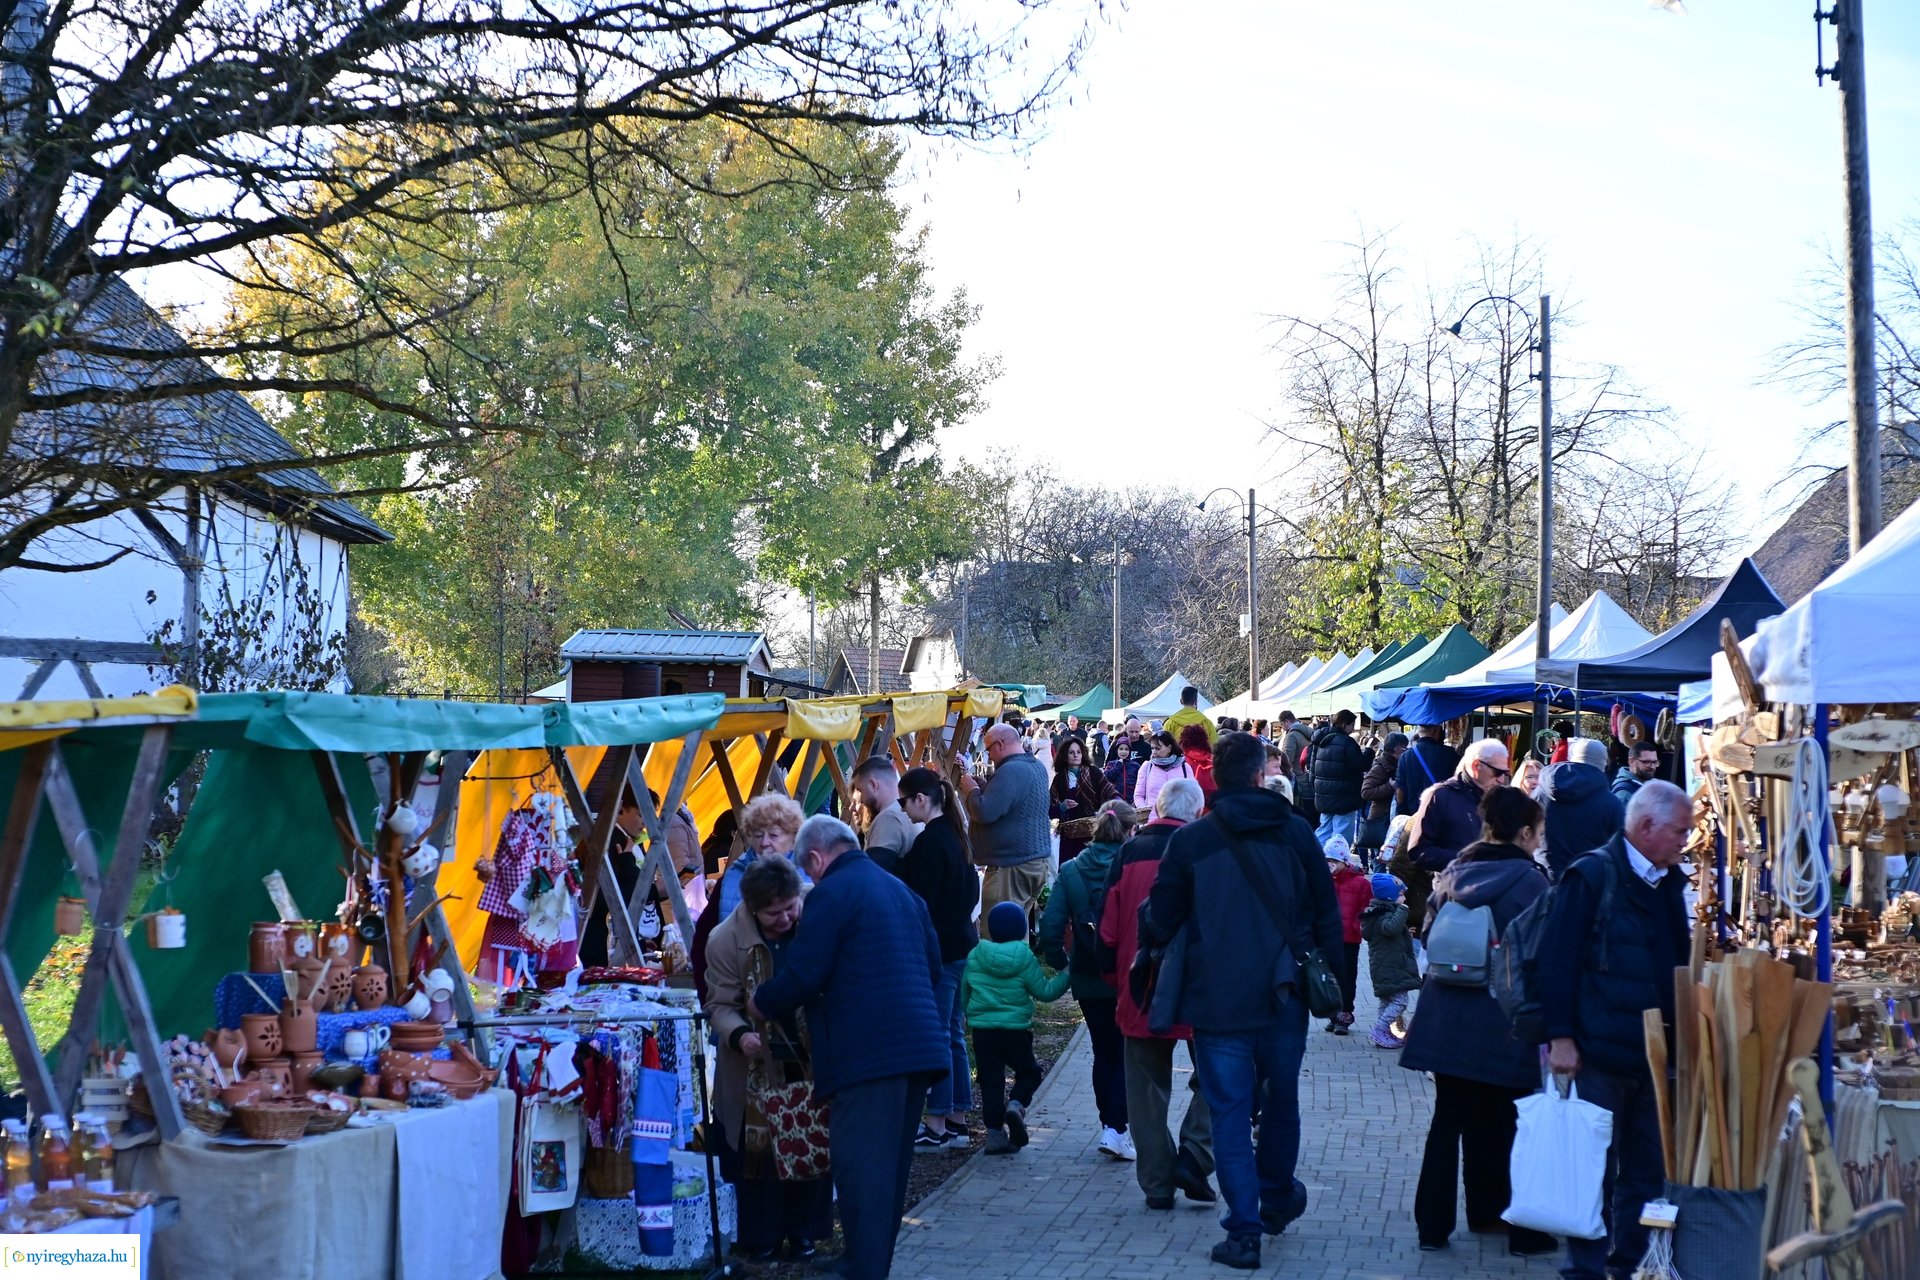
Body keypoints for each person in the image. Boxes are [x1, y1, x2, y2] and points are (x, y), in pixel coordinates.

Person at [1140, 732, 1341, 1271]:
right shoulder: (1298, 834)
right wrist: (1338, 992)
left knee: (1229, 1112)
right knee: (1280, 1102)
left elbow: (1159, 919)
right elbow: (1326, 913)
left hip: (1217, 997)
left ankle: (1245, 1230)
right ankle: (1273, 1199)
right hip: (1285, 993)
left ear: (1215, 779)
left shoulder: (1191, 841)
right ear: (1260, 776)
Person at [748, 816, 948, 1280]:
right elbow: (934, 967)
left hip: (869, 1052)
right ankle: (867, 1259)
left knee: (860, 1165)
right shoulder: (900, 890)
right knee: (890, 1168)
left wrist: (762, 1001)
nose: (810, 880)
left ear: (816, 859)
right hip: (917, 1046)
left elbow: (805, 973)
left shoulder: (831, 895)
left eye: (808, 871)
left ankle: (863, 1266)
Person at [1538, 782, 1692, 1280]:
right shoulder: (1590, 876)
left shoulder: (1668, 881)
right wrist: (1560, 1037)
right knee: (1592, 1171)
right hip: (1597, 1051)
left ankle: (1625, 1264)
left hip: (1653, 1054)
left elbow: (1676, 963)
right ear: (1646, 827)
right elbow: (1557, 961)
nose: (1685, 841)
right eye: (1679, 831)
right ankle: (1584, 1270)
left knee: (1647, 1172)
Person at [1398, 786, 1556, 1258]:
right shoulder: (1532, 883)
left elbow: (1428, 934)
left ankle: (1433, 1226)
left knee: (1448, 1122)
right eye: (1539, 833)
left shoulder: (1454, 872)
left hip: (1445, 1017)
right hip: (1503, 1018)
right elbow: (1543, 955)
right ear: (1525, 833)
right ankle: (1513, 1225)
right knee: (1509, 1122)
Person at [703, 857, 834, 1263]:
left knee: (811, 1142)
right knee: (757, 1157)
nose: (785, 918)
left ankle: (804, 1233)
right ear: (753, 909)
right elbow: (720, 1003)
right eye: (773, 913)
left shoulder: (816, 916)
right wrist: (741, 1035)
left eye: (790, 908)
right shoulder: (725, 939)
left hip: (811, 1057)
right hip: (754, 1069)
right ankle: (761, 1236)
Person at [1097, 777, 1216, 1210]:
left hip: (1139, 983)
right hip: (1201, 987)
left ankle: (1157, 1184)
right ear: (1198, 812)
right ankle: (1197, 1151)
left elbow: (1107, 927)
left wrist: (1116, 982)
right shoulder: (1208, 850)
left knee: (1145, 1091)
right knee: (1221, 1075)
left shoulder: (1129, 852)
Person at [1040, 798, 1137, 1160]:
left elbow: (1050, 927)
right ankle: (1117, 1128)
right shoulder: (1131, 865)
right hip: (1126, 971)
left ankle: (1109, 1125)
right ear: (1131, 830)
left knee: (1102, 1052)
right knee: (1125, 1052)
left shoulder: (1071, 870)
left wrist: (1063, 963)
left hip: (1087, 971)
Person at [896, 767, 980, 1151]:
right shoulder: (956, 836)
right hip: (963, 944)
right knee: (954, 1034)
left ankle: (936, 1123)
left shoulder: (931, 843)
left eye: (903, 802)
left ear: (921, 800)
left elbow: (923, 903)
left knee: (941, 1036)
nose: (902, 809)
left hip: (942, 950)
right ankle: (957, 1119)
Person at [963, 901, 1071, 1156]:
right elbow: (1045, 992)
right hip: (1015, 1032)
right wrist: (1068, 973)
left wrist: (969, 1014)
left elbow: (965, 991)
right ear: (1021, 929)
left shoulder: (976, 955)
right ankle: (1016, 1104)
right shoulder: (1024, 957)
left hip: (983, 1031)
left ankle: (994, 1135)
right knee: (1029, 1072)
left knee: (990, 1081)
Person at [692, 792, 807, 998]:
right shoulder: (732, 878)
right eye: (757, 835)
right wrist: (711, 997)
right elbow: (703, 943)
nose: (764, 843)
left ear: (792, 836)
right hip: (742, 994)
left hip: (799, 992)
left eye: (773, 835)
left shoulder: (809, 875)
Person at [1393, 739, 1508, 937]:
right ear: (1476, 765)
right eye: (1498, 773)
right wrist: (1467, 859)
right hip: (1452, 903)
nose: (1502, 779)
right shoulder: (1440, 796)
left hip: (1493, 901)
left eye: (1506, 773)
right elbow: (1417, 851)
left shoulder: (1502, 799)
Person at [962, 723, 1052, 920]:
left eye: (989, 749)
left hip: (1011, 869)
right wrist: (987, 787)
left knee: (999, 936)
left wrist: (971, 791)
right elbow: (1012, 802)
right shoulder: (1035, 766)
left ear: (1000, 744)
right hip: (1032, 863)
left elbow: (984, 812)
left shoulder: (1011, 770)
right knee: (1015, 932)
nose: (990, 756)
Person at [1540, 738, 1625, 882]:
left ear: (1571, 758)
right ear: (1604, 764)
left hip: (1543, 879)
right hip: (1587, 884)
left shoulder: (1540, 793)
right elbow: (1621, 852)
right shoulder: (1612, 804)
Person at [1359, 874, 1419, 1049]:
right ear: (1390, 897)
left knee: (1386, 1000)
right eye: (1401, 895)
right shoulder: (1385, 914)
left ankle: (1383, 1033)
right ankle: (1380, 1028)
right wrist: (1403, 910)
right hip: (1389, 967)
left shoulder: (1381, 913)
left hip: (1386, 965)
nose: (1405, 898)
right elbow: (1390, 929)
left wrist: (1406, 931)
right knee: (1400, 1001)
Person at [1324, 837, 1371, 1036]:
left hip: (1349, 939)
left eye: (1334, 860)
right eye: (1326, 860)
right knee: (1329, 977)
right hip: (1328, 939)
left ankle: (1345, 1013)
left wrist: (1357, 925)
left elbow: (1366, 908)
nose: (1330, 864)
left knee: (1347, 977)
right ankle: (1333, 1013)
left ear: (1345, 861)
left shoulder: (1359, 883)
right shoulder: (1323, 881)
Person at [1050, 735, 1118, 863]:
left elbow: (1110, 792)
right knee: (1069, 871)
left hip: (1092, 832)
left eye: (1078, 752)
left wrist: (1121, 805)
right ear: (1065, 756)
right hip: (1069, 835)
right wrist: (1062, 807)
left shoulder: (1094, 772)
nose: (1076, 755)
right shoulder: (1059, 779)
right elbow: (1050, 810)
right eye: (1071, 752)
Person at [1306, 709, 1366, 846]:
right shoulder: (1347, 742)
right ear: (1345, 724)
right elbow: (1360, 765)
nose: (1352, 729)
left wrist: (1315, 789)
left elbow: (1312, 768)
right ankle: (1337, 863)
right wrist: (1369, 752)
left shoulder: (1319, 740)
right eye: (1352, 725)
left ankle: (1316, 859)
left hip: (1323, 794)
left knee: (1324, 829)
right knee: (1341, 834)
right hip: (1344, 796)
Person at [852, 756, 920, 875]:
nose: (861, 799)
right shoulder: (910, 811)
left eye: (861, 790)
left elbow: (873, 876)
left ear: (873, 785)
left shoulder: (889, 818)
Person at [1358, 731, 1407, 861]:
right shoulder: (1380, 767)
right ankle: (1379, 881)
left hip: (1391, 818)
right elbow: (1366, 792)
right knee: (1380, 858)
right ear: (1396, 750)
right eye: (1404, 749)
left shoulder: (1398, 764)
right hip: (1381, 819)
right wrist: (1389, 786)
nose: (1406, 752)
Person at [1394, 724, 1460, 819]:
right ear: (1435, 730)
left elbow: (1400, 791)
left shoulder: (1405, 756)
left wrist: (1402, 813)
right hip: (1442, 817)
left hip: (1413, 817)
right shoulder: (1450, 754)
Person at [1133, 729, 1194, 813]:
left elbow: (1192, 795)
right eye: (1152, 748)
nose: (1154, 752)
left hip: (1178, 820)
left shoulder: (1185, 767)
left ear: (1169, 748)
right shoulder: (1147, 766)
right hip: (1151, 821)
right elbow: (1138, 795)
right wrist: (1145, 810)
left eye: (1158, 748)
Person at [1104, 726, 1149, 808]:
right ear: (1117, 750)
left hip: (1131, 801)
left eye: (1126, 749)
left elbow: (1140, 784)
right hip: (1115, 801)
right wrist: (1118, 766)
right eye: (1121, 749)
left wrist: (1137, 799)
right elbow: (1107, 778)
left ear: (1130, 751)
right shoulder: (1111, 764)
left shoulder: (1135, 765)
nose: (1123, 752)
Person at [1178, 723, 1218, 808]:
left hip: (1189, 808)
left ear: (1183, 741)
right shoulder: (1215, 760)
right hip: (1213, 808)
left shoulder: (1181, 762)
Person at [1277, 712, 1311, 782]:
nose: (1282, 728)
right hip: (1308, 775)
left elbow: (1287, 758)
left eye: (1282, 725)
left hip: (1296, 777)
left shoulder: (1291, 736)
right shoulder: (1309, 731)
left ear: (1287, 721)